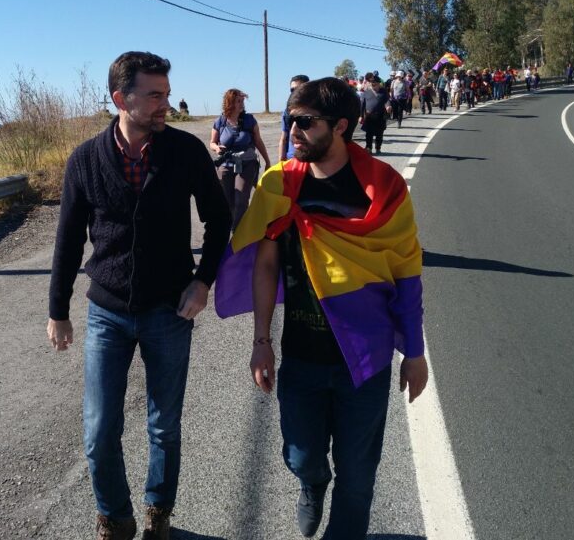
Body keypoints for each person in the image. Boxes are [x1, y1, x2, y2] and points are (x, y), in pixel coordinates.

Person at [214, 77, 428, 540]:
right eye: (291, 120)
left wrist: (414, 351)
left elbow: (407, 274)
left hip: (365, 361)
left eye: (306, 122)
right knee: (301, 456)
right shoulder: (280, 184)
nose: (293, 129)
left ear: (342, 126)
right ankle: (312, 484)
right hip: (303, 356)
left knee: (358, 476)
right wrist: (260, 342)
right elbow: (265, 263)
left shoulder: (383, 189)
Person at [47, 51, 231, 540]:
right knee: (99, 430)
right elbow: (68, 240)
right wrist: (57, 311)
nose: (164, 106)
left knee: (163, 428)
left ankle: (158, 515)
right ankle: (115, 519)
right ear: (120, 99)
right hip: (107, 312)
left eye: (166, 95)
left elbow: (220, 220)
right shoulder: (86, 160)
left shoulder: (187, 152)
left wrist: (203, 280)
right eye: (154, 96)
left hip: (170, 309)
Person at [210, 89, 272, 231]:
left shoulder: (249, 120)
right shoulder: (220, 121)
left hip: (247, 164)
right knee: (227, 201)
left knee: (241, 200)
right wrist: (217, 148)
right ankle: (229, 227)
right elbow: (212, 142)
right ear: (230, 102)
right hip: (226, 165)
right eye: (238, 101)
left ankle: (239, 232)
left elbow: (258, 141)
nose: (242, 104)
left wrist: (267, 161)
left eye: (242, 101)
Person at [280, 75, 311, 161]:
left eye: (298, 89)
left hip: (311, 159)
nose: (294, 92)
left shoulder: (318, 111)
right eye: (292, 90)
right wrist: (281, 163)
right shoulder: (287, 113)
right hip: (292, 159)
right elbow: (283, 139)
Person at [359, 76, 389, 154]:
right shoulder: (366, 92)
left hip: (380, 116)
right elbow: (362, 104)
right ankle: (368, 148)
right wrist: (361, 116)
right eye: (372, 82)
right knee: (369, 133)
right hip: (369, 116)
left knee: (379, 133)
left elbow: (387, 101)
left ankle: (378, 148)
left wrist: (388, 106)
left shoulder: (383, 92)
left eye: (374, 82)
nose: (373, 84)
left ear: (379, 83)